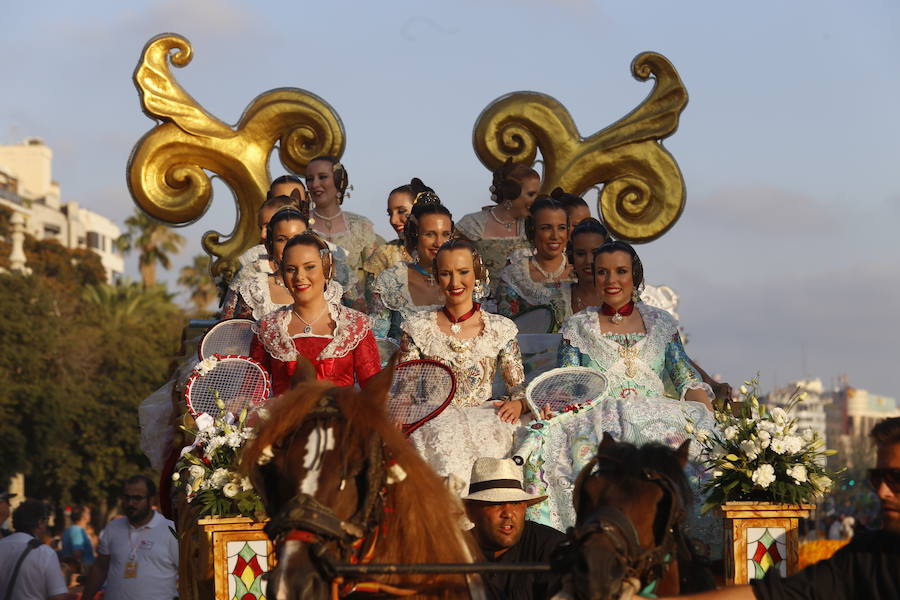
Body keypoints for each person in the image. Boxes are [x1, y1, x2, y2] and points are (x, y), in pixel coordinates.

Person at [515, 240, 718, 549]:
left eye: (620, 271)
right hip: (598, 419)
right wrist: (552, 409)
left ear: (635, 276)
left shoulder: (662, 322)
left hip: (659, 418)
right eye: (602, 272)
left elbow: (684, 377)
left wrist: (711, 419)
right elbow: (567, 381)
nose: (611, 281)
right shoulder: (578, 325)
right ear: (593, 277)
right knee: (560, 450)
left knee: (700, 453)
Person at [656, 417, 900, 600]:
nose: (882, 492)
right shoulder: (865, 556)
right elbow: (775, 594)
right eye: (877, 478)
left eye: (896, 479)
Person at [396, 239, 528, 490]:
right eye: (446, 273)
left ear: (477, 273)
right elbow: (404, 389)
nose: (455, 283)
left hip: (489, 421)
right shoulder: (418, 327)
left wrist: (519, 404)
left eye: (463, 272)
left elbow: (518, 387)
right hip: (432, 422)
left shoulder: (499, 328)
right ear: (436, 277)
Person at [250, 232, 381, 394]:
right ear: (283, 274)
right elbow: (251, 392)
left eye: (309, 267)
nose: (300, 277)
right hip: (286, 419)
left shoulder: (355, 325)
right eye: (291, 269)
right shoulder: (267, 327)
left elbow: (374, 392)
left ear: (326, 269)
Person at [462, 457, 565, 600]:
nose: (508, 513)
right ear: (470, 512)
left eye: (515, 503)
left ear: (525, 507)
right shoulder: (453, 551)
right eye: (495, 503)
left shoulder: (551, 546)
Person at [222, 207, 343, 320]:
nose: (291, 245)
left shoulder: (329, 290)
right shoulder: (254, 291)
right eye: (281, 239)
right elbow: (231, 335)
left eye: (298, 238)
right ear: (270, 245)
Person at [369, 180, 453, 339]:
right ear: (416, 234)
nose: (439, 243)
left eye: (445, 234)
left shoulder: (466, 279)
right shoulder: (390, 281)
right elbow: (377, 339)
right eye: (429, 234)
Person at [305, 156, 383, 311]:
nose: (314, 184)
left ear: (338, 180)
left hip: (353, 315)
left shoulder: (361, 226)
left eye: (322, 177)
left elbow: (374, 280)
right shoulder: (299, 224)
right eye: (309, 179)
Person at [82, 475, 178, 600]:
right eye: (127, 497)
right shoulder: (113, 527)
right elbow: (100, 568)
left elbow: (187, 573)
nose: (130, 503)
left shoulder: (170, 529)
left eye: (137, 498)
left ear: (151, 500)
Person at [456, 160, 539, 296]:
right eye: (531, 194)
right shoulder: (473, 225)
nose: (535, 200)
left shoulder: (533, 226)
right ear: (511, 193)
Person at [497, 196, 575, 333]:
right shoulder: (514, 275)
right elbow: (507, 330)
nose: (555, 236)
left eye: (561, 228)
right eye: (546, 228)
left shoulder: (578, 271)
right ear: (532, 230)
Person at [0, 499, 68, 600]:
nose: (46, 527)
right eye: (46, 521)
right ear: (40, 522)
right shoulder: (45, 553)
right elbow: (58, 597)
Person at [362, 183, 415, 284]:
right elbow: (372, 297)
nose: (393, 220)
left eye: (401, 211)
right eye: (390, 214)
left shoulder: (445, 250)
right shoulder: (383, 254)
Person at [567, 218, 609, 314]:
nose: (588, 261)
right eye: (580, 254)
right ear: (571, 256)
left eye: (595, 253)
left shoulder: (626, 299)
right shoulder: (556, 298)